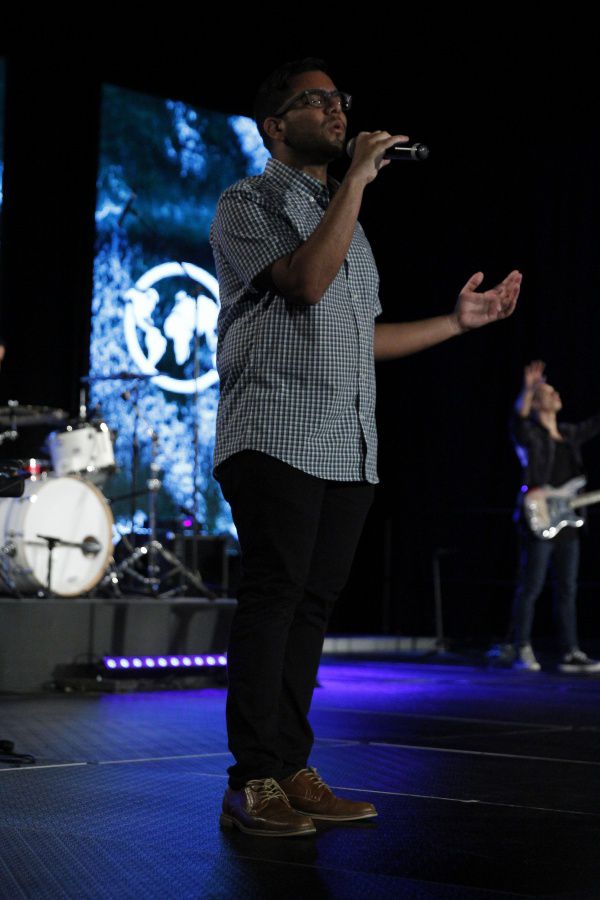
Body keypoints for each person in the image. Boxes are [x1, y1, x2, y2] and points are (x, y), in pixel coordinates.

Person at [210, 57, 522, 838]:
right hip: (274, 434)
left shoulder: (348, 222)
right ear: (275, 126)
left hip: (346, 443)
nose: (336, 108)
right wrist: (354, 181)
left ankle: (291, 767)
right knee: (275, 597)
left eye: (339, 98)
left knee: (312, 607)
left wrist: (456, 323)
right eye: (314, 100)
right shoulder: (248, 201)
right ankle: (251, 780)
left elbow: (362, 340)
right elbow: (304, 285)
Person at [509, 360, 600, 673]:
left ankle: (570, 651)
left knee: (567, 589)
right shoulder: (532, 435)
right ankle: (521, 647)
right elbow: (518, 421)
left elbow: (594, 425)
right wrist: (528, 390)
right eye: (548, 393)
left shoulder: (569, 434)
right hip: (539, 516)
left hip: (568, 521)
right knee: (531, 586)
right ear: (536, 403)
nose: (556, 394)